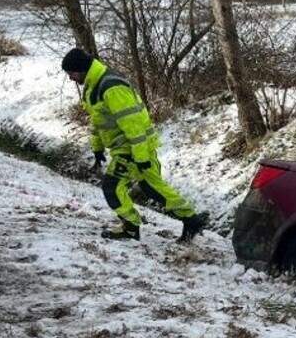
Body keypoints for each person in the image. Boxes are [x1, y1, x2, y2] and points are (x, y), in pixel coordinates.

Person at [61, 48, 209, 242]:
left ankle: (130, 229)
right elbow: (98, 120)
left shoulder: (111, 88)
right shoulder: (94, 86)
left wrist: (140, 157)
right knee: (152, 188)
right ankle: (192, 220)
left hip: (132, 148)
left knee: (112, 187)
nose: (71, 78)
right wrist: (97, 147)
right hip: (129, 147)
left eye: (71, 73)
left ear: (80, 68)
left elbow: (134, 125)